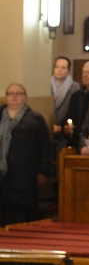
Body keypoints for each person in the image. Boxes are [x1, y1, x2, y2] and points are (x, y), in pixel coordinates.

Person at [0, 84, 53, 223]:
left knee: (19, 211)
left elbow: (45, 146)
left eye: (19, 93)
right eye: (11, 94)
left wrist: (43, 171)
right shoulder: (1, 116)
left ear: (25, 97)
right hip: (2, 171)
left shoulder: (35, 119)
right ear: (6, 97)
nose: (15, 97)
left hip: (24, 173)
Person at [63, 59, 89, 149]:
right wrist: (67, 127)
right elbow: (70, 115)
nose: (84, 75)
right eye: (83, 72)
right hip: (76, 140)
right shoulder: (76, 96)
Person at [49, 55, 74, 135]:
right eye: (57, 67)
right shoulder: (46, 85)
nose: (59, 70)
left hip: (65, 129)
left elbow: (75, 109)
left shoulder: (74, 86)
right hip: (48, 126)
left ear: (68, 70)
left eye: (63, 68)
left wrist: (64, 126)